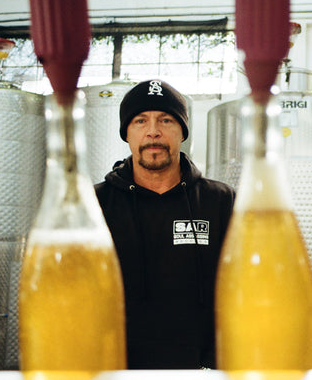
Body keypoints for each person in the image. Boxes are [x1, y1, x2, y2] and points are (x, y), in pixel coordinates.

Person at [95, 79, 236, 369]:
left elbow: (241, 292)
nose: (153, 131)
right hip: (116, 371)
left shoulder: (221, 201)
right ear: (127, 133)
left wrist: (213, 366)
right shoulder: (94, 203)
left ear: (182, 131)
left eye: (166, 120)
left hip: (202, 371)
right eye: (140, 120)